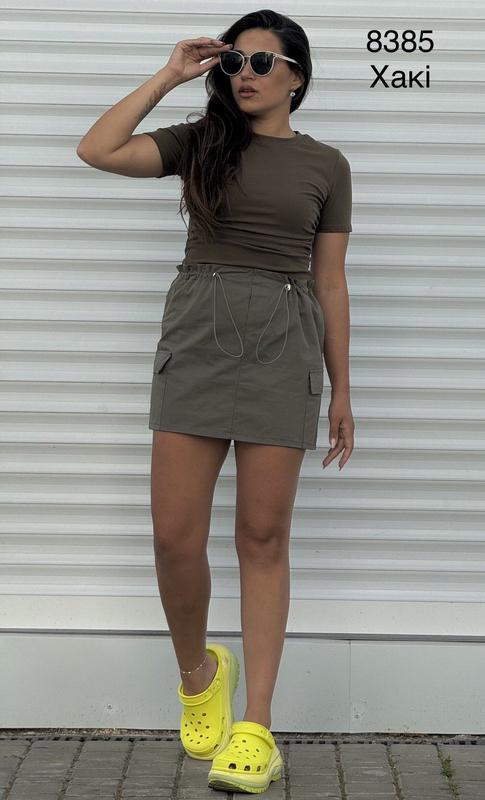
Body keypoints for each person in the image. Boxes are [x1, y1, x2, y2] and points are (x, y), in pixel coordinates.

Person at [76, 9, 355, 794]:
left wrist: (341, 387)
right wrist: (172, 75)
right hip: (197, 337)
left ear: (297, 77)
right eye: (234, 61)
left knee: (261, 538)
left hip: (282, 346)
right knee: (174, 539)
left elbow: (330, 282)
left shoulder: (326, 164)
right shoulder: (200, 142)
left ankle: (255, 727)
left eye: (263, 62)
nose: (245, 74)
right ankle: (200, 675)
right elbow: (96, 148)